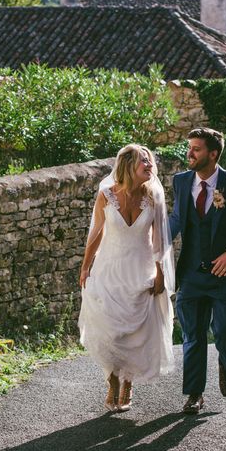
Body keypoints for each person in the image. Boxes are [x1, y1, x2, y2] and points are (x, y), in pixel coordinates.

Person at [169, 127, 226, 414]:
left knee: (223, 331)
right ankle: (195, 395)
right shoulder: (182, 181)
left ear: (213, 153)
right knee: (193, 335)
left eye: (196, 149)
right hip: (193, 275)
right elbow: (176, 219)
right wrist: (154, 243)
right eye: (190, 148)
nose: (189, 154)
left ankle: (225, 360)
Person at [78, 144, 175, 413]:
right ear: (128, 166)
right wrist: (85, 267)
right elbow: (96, 232)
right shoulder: (106, 195)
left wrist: (160, 272)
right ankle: (112, 381)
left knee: (135, 331)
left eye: (150, 161)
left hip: (140, 270)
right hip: (109, 270)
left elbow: (159, 239)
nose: (150, 164)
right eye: (143, 161)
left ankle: (128, 383)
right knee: (111, 331)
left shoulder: (153, 196)